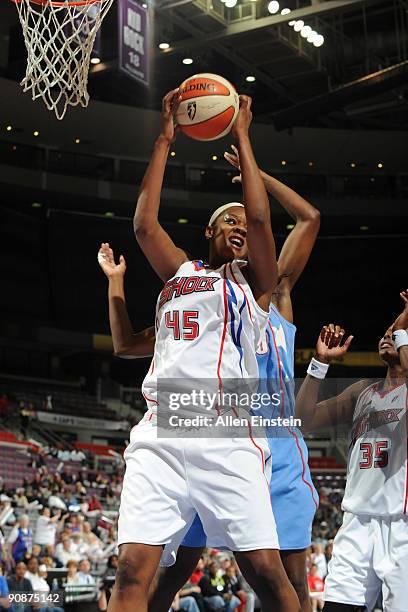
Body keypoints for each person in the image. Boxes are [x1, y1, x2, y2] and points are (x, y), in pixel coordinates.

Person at [100, 139, 320, 611]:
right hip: (163, 426)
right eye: (229, 220)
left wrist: (246, 143)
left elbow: (272, 221)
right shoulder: (179, 276)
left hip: (229, 430)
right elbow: (143, 226)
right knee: (135, 572)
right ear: (208, 230)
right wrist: (161, 140)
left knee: (268, 573)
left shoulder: (257, 286)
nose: (240, 225)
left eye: (244, 220)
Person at [296, 290, 408, 612]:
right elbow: (304, 420)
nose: (388, 336)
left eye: (397, 333)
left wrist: (404, 326)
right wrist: (319, 365)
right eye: (387, 333)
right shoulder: (362, 391)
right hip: (357, 521)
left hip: (400, 524)